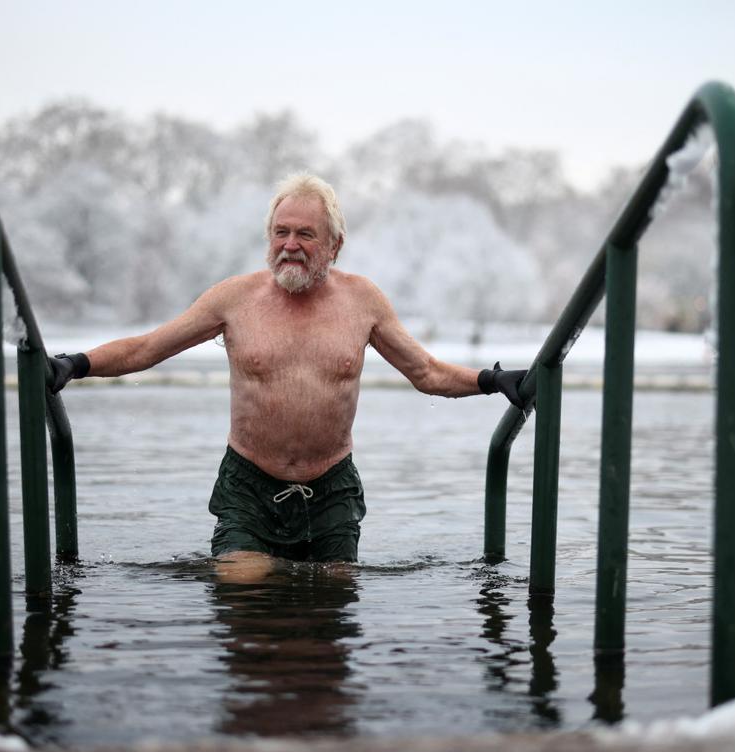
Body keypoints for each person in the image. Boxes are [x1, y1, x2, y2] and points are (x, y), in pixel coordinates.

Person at [49, 173, 527, 581]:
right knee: (243, 584)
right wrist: (75, 365)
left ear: (335, 245)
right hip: (248, 484)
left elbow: (425, 371)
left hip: (332, 485)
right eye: (281, 233)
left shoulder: (363, 302)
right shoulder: (234, 300)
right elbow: (147, 348)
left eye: (305, 234)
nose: (290, 246)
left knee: (333, 596)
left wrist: (492, 379)